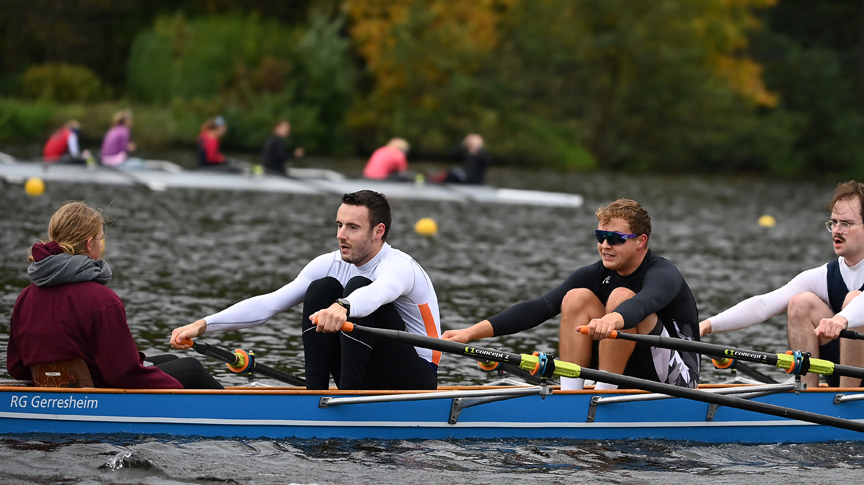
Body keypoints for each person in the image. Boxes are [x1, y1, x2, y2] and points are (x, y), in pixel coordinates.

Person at [170, 190, 441, 391]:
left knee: (357, 287)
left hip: (415, 379)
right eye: (339, 225)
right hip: (362, 370)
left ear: (378, 231)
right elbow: (270, 304)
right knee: (322, 288)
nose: (341, 235)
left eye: (352, 227)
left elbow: (376, 293)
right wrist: (204, 324)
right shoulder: (329, 263)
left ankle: (347, 400)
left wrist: (343, 307)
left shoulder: (399, 266)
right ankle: (316, 395)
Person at [443, 199, 700, 390]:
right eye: (600, 236)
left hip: (678, 379)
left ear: (641, 241)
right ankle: (572, 393)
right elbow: (539, 308)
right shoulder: (595, 273)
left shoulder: (664, 274)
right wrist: (470, 333)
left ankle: (602, 396)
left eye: (615, 238)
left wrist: (610, 320)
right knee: (575, 298)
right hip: (626, 373)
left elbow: (641, 305)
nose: (605, 245)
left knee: (621, 296)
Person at [699, 181, 864, 389]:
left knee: (854, 299)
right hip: (861, 372)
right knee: (800, 303)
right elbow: (764, 304)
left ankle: (844, 397)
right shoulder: (826, 275)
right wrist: (706, 326)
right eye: (834, 223)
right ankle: (807, 391)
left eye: (846, 224)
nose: (837, 230)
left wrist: (841, 320)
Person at [8, 202, 222, 390]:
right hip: (97, 391)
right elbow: (122, 373)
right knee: (191, 368)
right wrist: (174, 388)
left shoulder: (25, 297)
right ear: (89, 244)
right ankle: (232, 412)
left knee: (170, 359)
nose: (102, 244)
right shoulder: (102, 300)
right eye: (101, 239)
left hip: (56, 387)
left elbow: (16, 367)